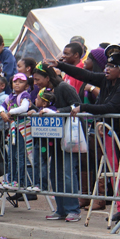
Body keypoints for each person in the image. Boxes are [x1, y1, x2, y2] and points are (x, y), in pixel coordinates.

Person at [53, 44, 120, 223]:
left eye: (112, 66)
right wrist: (59, 65)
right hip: (109, 132)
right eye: (106, 65)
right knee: (114, 170)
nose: (106, 69)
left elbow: (110, 107)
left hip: (118, 131)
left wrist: (82, 107)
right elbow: (85, 75)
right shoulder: (106, 80)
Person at [31, 61, 82, 222]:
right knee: (55, 174)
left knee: (68, 174)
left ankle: (73, 209)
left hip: (68, 138)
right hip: (54, 139)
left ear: (47, 77)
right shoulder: (47, 90)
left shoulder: (65, 88)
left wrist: (58, 112)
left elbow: (77, 106)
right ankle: (61, 210)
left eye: (38, 79)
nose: (36, 83)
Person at [0, 73, 33, 189]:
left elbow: (24, 108)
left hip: (22, 129)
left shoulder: (25, 95)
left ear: (27, 85)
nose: (17, 83)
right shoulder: (11, 96)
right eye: (15, 81)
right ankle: (11, 179)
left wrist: (10, 112)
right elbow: (2, 106)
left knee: (20, 155)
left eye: (21, 81)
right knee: (11, 155)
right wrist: (2, 112)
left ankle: (19, 180)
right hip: (13, 129)